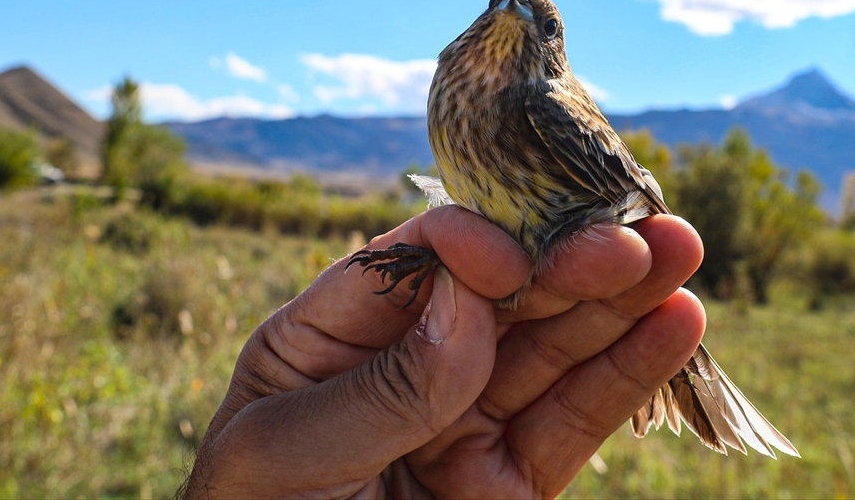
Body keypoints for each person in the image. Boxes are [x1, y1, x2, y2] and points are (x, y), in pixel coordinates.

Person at [180, 204, 706, 498]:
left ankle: (677, 366)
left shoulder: (549, 106)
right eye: (498, 1)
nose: (513, 9)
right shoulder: (457, 94)